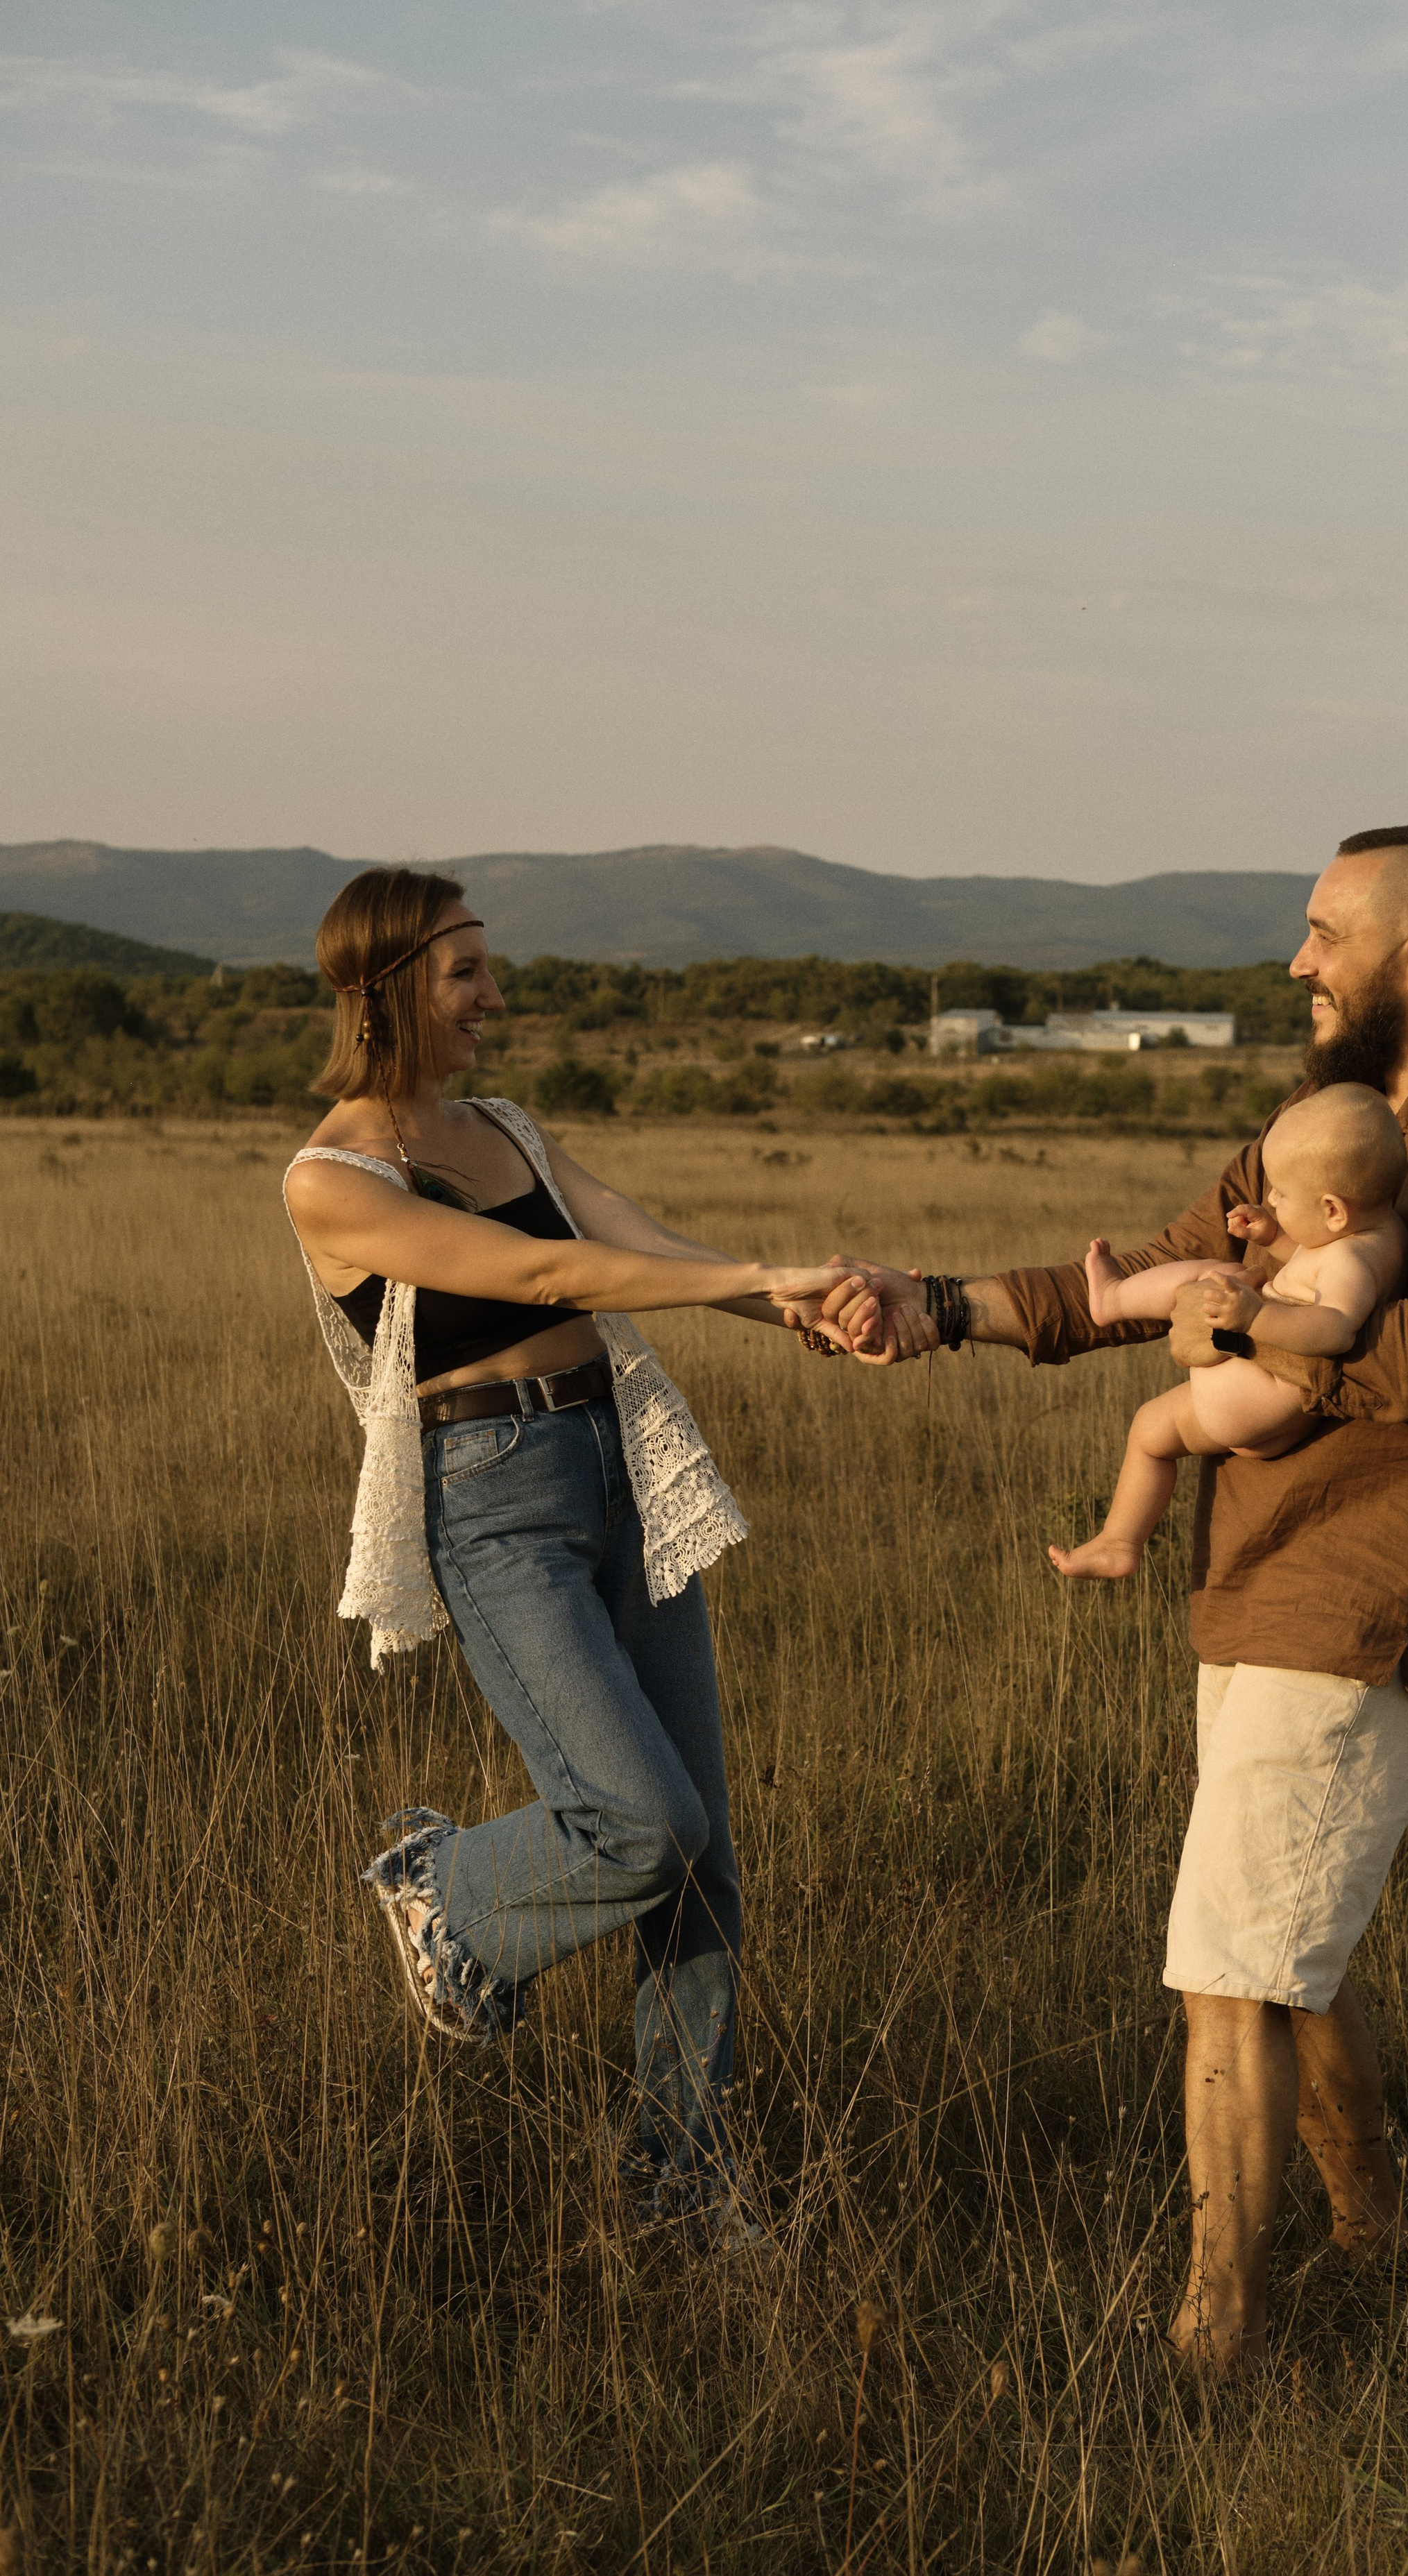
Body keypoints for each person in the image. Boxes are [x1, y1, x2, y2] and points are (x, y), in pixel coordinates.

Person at [814, 826, 1408, 2365]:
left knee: (1229, 1963)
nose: (1298, 962)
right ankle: (1375, 2249)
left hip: (1373, 1591)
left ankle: (1211, 2338)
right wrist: (940, 1306)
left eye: (1324, 934)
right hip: (1259, 1575)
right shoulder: (1329, 1123)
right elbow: (1157, 1274)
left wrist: (1236, 1336)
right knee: (1291, 1950)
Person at [282, 866, 880, 2231]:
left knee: (703, 1862)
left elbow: (628, 1238)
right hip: (495, 1500)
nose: (494, 996)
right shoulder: (332, 1178)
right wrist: (753, 1280)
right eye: (466, 971)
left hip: (618, 1470)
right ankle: (444, 1888)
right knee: (641, 1822)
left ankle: (681, 2183)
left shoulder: (502, 1126)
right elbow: (548, 1274)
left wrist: (786, 1301)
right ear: (386, 990)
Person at [1048, 1084, 1408, 1578]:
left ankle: (1113, 1300)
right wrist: (1274, 1235)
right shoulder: (1377, 1234)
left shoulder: (1351, 1260)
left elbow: (1335, 1328)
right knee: (1150, 1430)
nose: (1271, 1198)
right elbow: (1313, 1267)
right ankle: (1120, 1542)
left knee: (1218, 1275)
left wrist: (1253, 1318)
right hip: (1266, 1419)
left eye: (1282, 1194)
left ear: (1332, 1210)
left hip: (1252, 1397)